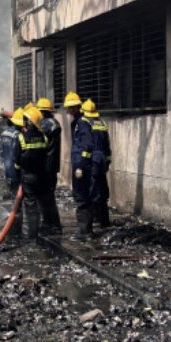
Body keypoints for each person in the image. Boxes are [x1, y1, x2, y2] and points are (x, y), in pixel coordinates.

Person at [63, 91, 94, 240]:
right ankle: (86, 230)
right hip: (78, 164)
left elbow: (87, 144)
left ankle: (83, 231)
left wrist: (80, 165)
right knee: (81, 195)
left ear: (75, 107)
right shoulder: (77, 122)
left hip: (81, 167)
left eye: (70, 107)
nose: (68, 110)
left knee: (82, 196)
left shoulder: (82, 122)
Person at [17, 104, 50, 240]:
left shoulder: (21, 138)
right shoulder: (44, 138)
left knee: (31, 206)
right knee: (42, 202)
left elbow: (17, 160)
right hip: (42, 176)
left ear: (29, 122)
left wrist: (19, 174)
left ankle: (33, 235)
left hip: (28, 176)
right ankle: (44, 227)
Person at [82, 99, 113, 228]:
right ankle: (104, 220)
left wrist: (83, 161)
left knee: (93, 190)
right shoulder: (102, 123)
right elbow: (107, 145)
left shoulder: (86, 123)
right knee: (102, 189)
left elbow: (87, 145)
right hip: (102, 160)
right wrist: (107, 161)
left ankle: (95, 220)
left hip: (93, 159)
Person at [35, 96, 62, 237]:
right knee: (47, 196)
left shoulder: (46, 125)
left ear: (42, 111)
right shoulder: (54, 123)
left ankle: (52, 225)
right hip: (51, 165)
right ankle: (50, 224)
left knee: (46, 197)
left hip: (47, 166)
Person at [0, 108, 26, 243]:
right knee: (18, 202)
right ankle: (16, 231)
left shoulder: (4, 134)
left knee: (13, 199)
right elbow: (18, 155)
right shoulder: (17, 136)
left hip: (7, 171)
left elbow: (2, 154)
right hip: (16, 172)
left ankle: (13, 228)